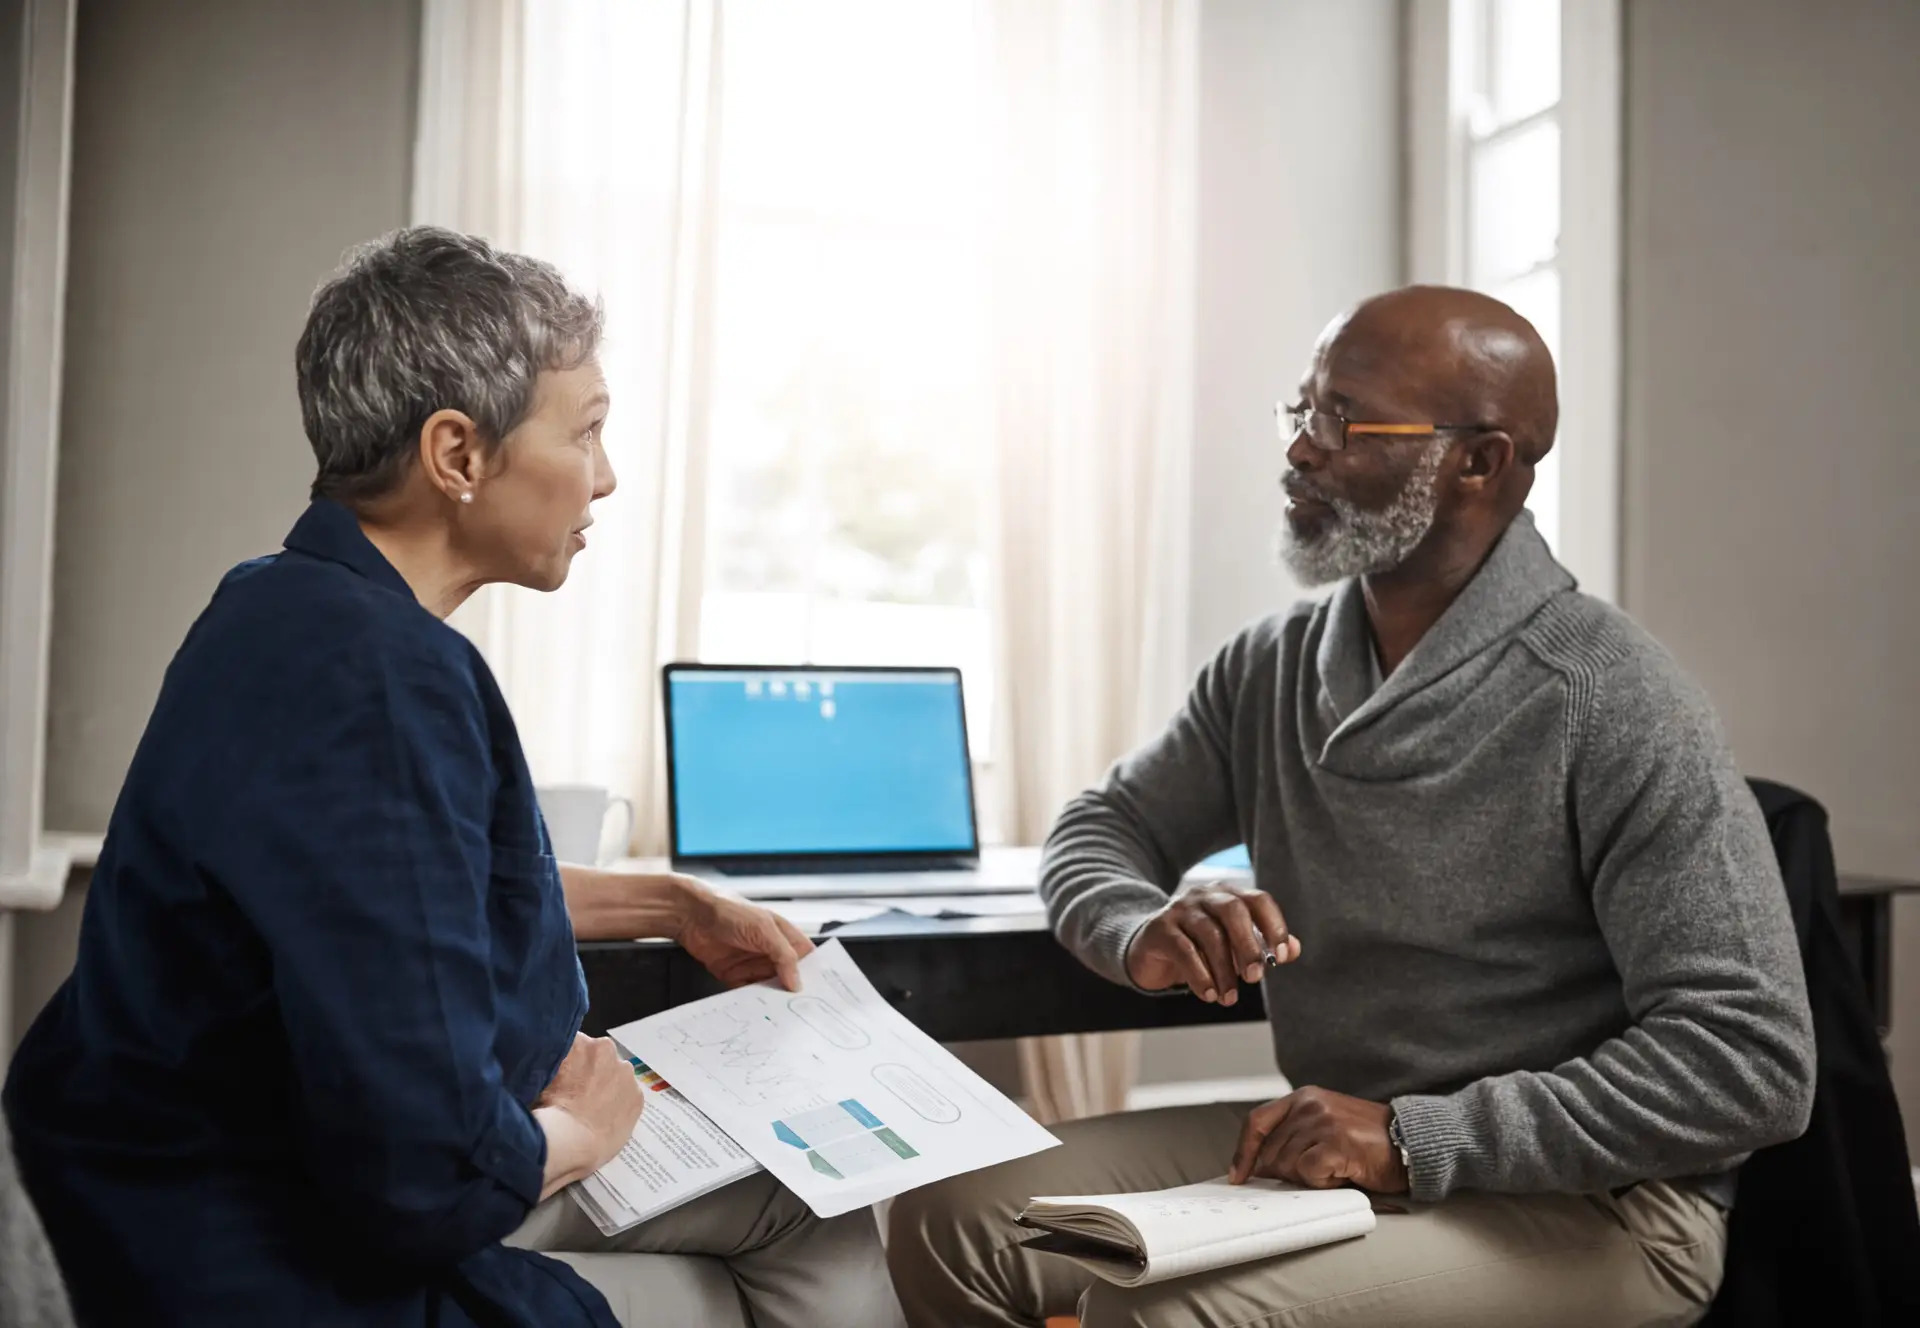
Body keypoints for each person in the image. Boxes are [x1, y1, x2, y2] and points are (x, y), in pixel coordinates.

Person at [4, 227, 901, 1328]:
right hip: (263, 1239)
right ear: (458, 454)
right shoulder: (383, 681)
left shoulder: (278, 604)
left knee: (806, 1209)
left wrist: (672, 900)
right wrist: (588, 1128)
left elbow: (395, 883)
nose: (607, 477)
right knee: (786, 1230)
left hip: (166, 1179)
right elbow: (419, 1174)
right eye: (587, 431)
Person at [887, 286, 1817, 1327]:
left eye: (1346, 419)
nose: (1301, 450)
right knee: (946, 1220)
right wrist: (1137, 922)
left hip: (1601, 1202)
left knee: (1156, 1317)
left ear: (1481, 462)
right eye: (1302, 410)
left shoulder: (1612, 697)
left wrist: (1417, 1137)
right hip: (1329, 1141)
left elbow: (1751, 1062)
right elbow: (1103, 826)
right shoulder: (1271, 667)